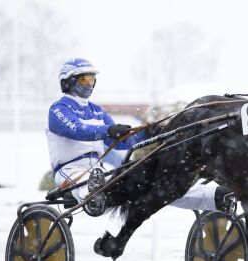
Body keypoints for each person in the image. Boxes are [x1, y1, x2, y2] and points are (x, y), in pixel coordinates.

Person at [46, 58, 234, 217]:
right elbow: (77, 130)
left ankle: (214, 197)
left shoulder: (96, 111)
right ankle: (93, 196)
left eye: (92, 80)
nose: (89, 84)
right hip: (70, 170)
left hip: (99, 171)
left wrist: (151, 133)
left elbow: (120, 143)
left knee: (154, 185)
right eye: (84, 80)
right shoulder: (58, 109)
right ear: (68, 82)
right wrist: (108, 130)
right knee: (86, 182)